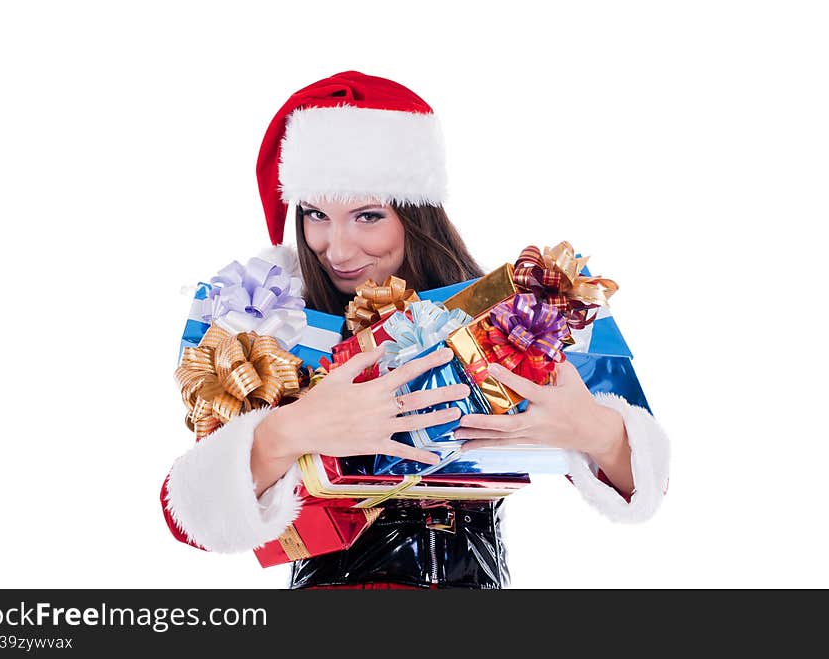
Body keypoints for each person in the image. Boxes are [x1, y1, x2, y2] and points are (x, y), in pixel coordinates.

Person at [160, 71, 670, 589]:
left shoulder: (505, 317)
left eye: (367, 216)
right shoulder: (269, 319)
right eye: (316, 214)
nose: (336, 249)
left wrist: (595, 432)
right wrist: (290, 431)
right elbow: (191, 518)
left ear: (417, 214)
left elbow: (643, 487)